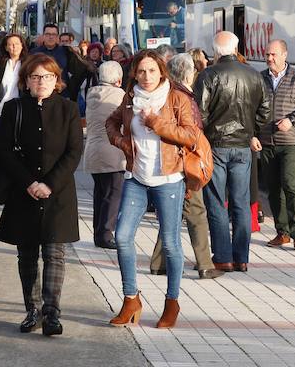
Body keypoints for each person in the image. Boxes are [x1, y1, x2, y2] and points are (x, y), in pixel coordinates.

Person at [106, 50, 199, 329]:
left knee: (170, 243)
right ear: (134, 73)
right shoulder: (131, 97)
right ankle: (131, 298)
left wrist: (156, 123)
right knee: (122, 237)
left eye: (152, 71)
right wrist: (122, 143)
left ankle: (172, 302)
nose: (146, 77)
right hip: (136, 177)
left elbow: (191, 136)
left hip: (168, 179)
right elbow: (110, 122)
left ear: (162, 72)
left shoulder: (177, 98)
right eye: (141, 71)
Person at [0, 53, 83, 336]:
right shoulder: (13, 109)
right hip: (24, 193)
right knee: (27, 254)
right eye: (35, 77)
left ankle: (52, 313)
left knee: (55, 253)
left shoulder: (68, 109)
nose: (41, 82)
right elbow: (4, 151)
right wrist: (30, 183)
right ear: (26, 82)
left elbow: (73, 152)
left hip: (58, 193)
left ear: (57, 80)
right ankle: (32, 310)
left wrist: (49, 184)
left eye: (47, 77)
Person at [194, 31, 269, 273]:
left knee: (216, 202)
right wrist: (251, 130)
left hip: (216, 144)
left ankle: (223, 257)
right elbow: (266, 110)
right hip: (242, 145)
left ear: (215, 51)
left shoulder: (208, 75)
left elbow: (200, 114)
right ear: (236, 49)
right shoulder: (254, 74)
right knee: (241, 202)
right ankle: (242, 257)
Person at [150, 53, 224, 280]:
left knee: (171, 212)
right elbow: (189, 134)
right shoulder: (182, 98)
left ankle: (158, 263)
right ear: (188, 73)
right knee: (196, 212)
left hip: (169, 162)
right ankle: (204, 264)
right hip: (184, 163)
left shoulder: (163, 95)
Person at [257, 40, 295, 250]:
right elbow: (251, 108)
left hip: (290, 142)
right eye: (267, 55)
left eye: (273, 54)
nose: (269, 58)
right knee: (273, 189)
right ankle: (281, 233)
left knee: (290, 185)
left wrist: (292, 120)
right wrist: (254, 135)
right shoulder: (260, 79)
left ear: (285, 55)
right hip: (266, 142)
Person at [84, 61, 127, 249]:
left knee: (100, 193)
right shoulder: (120, 95)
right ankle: (106, 234)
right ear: (118, 80)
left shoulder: (91, 94)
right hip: (113, 152)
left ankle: (98, 231)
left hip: (93, 151)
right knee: (113, 194)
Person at [30, 23, 88, 101]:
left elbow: (79, 71)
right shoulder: (34, 53)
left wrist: (69, 84)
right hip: (41, 94)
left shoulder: (66, 51)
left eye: (54, 34)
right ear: (43, 36)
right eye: (48, 34)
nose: (51, 37)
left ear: (57, 37)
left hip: (62, 94)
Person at [0, 33, 27, 123]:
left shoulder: (28, 64)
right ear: (6, 48)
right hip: (2, 108)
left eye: (17, 44)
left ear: (22, 46)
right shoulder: (0, 65)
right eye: (10, 44)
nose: (14, 47)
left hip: (22, 108)